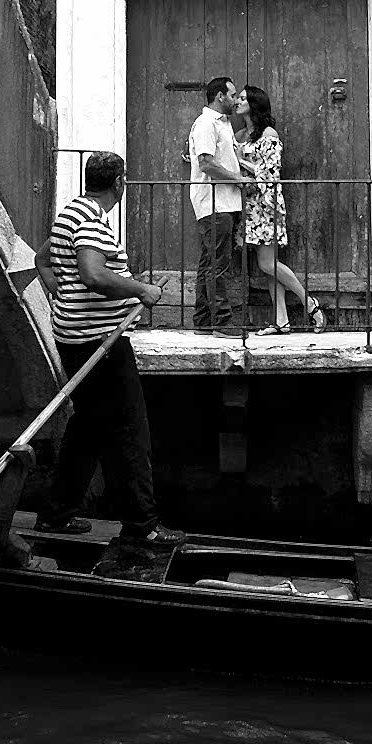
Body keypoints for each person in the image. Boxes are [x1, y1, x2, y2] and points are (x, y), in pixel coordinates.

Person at [31, 152, 184, 546]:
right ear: (119, 183)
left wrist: (62, 294)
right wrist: (142, 290)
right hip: (100, 346)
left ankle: (55, 515)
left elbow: (41, 259)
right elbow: (94, 274)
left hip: (75, 339)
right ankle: (143, 526)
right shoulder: (92, 224)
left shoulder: (70, 213)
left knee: (88, 430)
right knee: (131, 432)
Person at [232, 86, 326, 336]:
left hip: (266, 204)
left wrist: (240, 164)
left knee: (267, 263)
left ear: (254, 104)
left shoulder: (268, 134)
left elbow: (271, 172)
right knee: (269, 264)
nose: (238, 101)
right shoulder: (239, 134)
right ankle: (282, 320)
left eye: (243, 98)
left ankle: (309, 303)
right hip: (248, 205)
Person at [188, 77, 246, 332]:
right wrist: (239, 180)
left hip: (225, 202)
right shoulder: (206, 124)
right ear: (220, 96)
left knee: (209, 262)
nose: (235, 100)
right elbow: (206, 163)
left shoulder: (223, 124)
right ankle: (222, 321)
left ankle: (202, 319)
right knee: (218, 264)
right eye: (232, 95)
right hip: (215, 203)